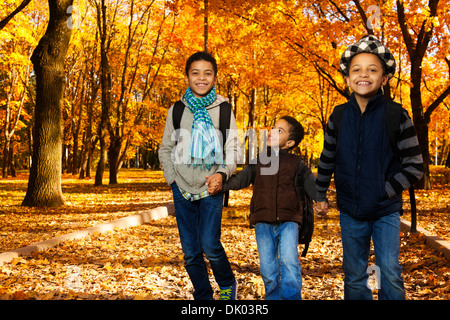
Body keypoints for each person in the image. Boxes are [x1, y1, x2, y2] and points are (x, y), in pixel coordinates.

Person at [316, 35, 424, 300]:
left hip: (385, 210)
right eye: (357, 70)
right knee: (354, 275)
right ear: (347, 78)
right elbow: (327, 158)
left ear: (384, 79)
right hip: (350, 210)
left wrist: (385, 190)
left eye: (372, 70)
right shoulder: (339, 116)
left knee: (389, 270)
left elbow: (415, 165)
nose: (364, 75)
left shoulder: (396, 114)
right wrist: (319, 195)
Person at [210, 116, 326, 300]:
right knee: (268, 267)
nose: (272, 132)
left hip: (289, 221)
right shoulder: (260, 160)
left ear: (289, 142)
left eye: (280, 130)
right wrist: (222, 185)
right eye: (273, 128)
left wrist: (320, 200)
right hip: (263, 221)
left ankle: (291, 298)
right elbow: (243, 178)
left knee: (289, 262)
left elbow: (311, 184)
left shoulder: (297, 163)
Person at [158, 51, 239, 300]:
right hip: (181, 186)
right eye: (195, 73)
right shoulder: (177, 110)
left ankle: (227, 284)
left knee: (210, 244)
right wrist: (172, 178)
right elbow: (166, 148)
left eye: (207, 73)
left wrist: (222, 174)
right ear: (187, 77)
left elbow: (233, 148)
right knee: (191, 251)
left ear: (215, 77)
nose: (201, 78)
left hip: (211, 186)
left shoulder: (224, 110)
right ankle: (202, 296)